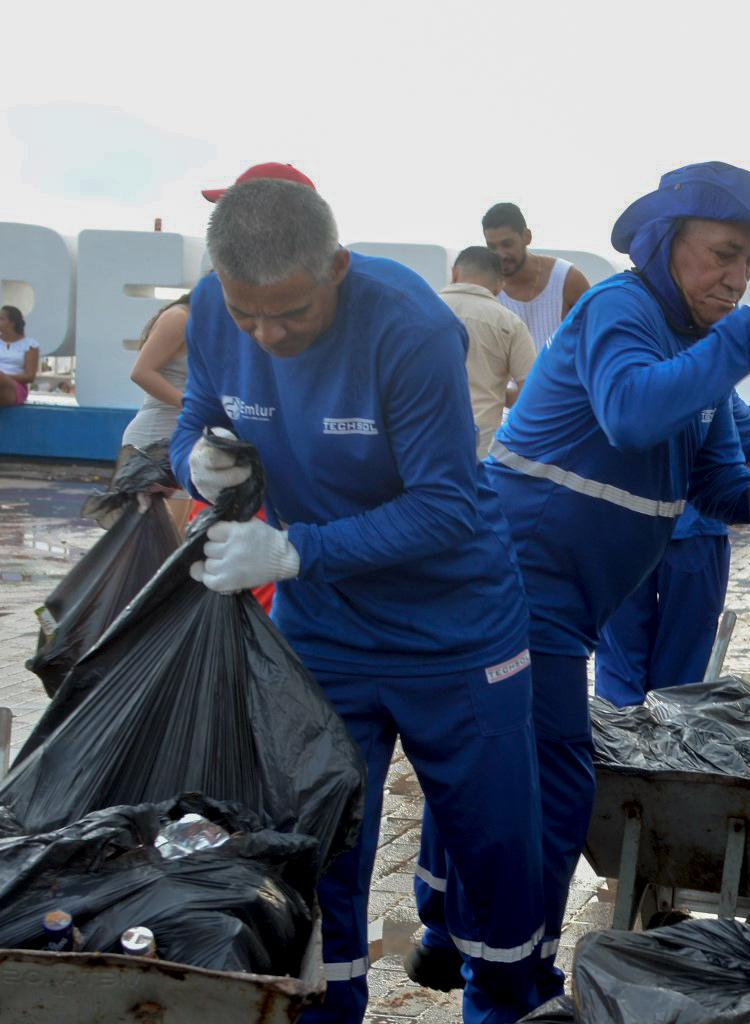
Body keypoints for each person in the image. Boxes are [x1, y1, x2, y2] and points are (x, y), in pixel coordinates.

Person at [170, 179, 546, 1023]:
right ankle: (326, 1009)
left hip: (456, 630)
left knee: (493, 846)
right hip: (324, 629)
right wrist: (195, 458)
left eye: (290, 313)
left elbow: (445, 506)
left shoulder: (409, 327)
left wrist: (296, 550)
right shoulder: (213, 310)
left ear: (336, 268)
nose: (267, 335)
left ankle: (506, 1005)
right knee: (319, 842)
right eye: (247, 315)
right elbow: (195, 413)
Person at [478, 161, 750, 999]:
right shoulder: (619, 309)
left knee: (508, 774)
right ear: (665, 244)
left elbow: (719, 487)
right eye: (723, 254)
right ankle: (507, 989)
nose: (737, 278)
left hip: (572, 604)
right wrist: (744, 339)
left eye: (749, 262)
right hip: (519, 582)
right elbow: (629, 412)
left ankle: (457, 937)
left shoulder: (700, 352)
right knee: (551, 786)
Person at [594, 392, 750, 704]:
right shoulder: (708, 372)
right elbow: (738, 428)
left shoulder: (614, 369)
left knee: (620, 667)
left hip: (622, 526)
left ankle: (620, 730)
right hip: (692, 530)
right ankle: (663, 729)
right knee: (680, 676)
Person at [440, 246, 537, 457]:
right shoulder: (510, 323)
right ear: (500, 287)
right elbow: (532, 391)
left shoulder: (424, 310)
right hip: (481, 441)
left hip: (425, 431)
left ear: (454, 273)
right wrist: (499, 394)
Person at [481, 202, 591, 348]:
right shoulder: (484, 289)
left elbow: (595, 338)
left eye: (507, 244)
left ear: (527, 236)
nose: (500, 254)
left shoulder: (567, 279)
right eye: (492, 247)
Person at [122, 295, 191, 448]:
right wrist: (195, 407)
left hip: (186, 437)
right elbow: (141, 373)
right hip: (155, 435)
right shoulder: (179, 317)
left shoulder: (212, 325)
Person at [0, 305, 39, 407]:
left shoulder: (30, 345)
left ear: (12, 323)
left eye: (1, 319)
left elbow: (30, 377)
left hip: (15, 387)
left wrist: (4, 377)